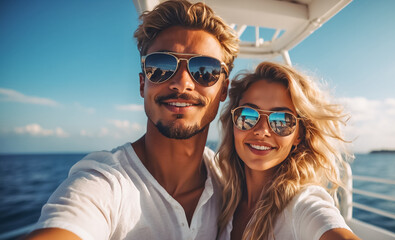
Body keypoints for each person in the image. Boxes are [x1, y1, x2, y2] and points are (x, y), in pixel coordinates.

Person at [24, 1, 239, 239]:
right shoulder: (105, 183)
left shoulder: (230, 182)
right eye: (161, 67)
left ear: (223, 90)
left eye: (204, 70)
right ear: (142, 84)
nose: (182, 82)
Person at [216, 62, 360, 240]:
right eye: (248, 115)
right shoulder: (224, 197)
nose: (262, 130)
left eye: (282, 120)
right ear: (233, 123)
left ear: (299, 135)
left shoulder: (301, 205)